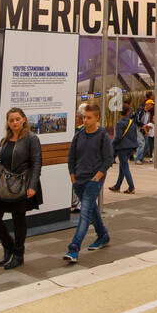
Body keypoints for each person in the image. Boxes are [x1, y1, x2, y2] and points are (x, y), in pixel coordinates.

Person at [0, 107, 42, 270]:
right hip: (3, 185)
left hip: (21, 184)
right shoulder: (5, 139)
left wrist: (32, 186)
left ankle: (18, 254)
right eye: (11, 120)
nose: (14, 122)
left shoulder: (31, 139)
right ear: (7, 123)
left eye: (17, 119)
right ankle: (8, 246)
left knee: (18, 219)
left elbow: (36, 163)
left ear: (23, 120)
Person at [63, 103, 113, 263]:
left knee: (84, 213)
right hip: (79, 179)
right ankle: (103, 235)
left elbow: (108, 160)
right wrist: (72, 175)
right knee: (91, 210)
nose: (85, 120)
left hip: (93, 180)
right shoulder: (78, 135)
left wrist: (97, 177)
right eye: (84, 117)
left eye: (89, 117)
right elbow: (71, 156)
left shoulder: (102, 136)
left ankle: (74, 248)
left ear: (97, 118)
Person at [109, 99, 139, 194]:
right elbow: (135, 136)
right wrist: (134, 148)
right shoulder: (132, 123)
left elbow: (117, 137)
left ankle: (131, 187)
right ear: (128, 112)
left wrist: (112, 145)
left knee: (125, 167)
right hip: (130, 147)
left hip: (122, 148)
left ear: (120, 112)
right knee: (122, 166)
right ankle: (117, 186)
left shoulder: (119, 124)